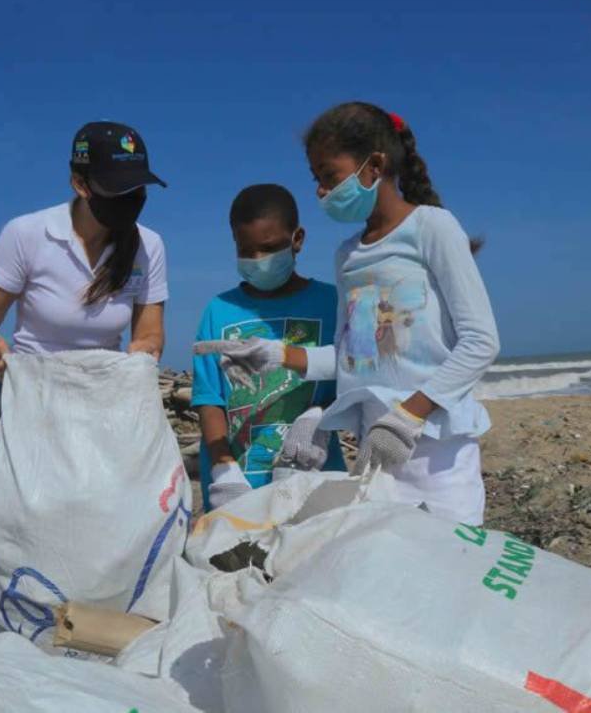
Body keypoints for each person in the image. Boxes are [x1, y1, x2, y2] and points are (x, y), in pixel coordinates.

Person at [196, 102, 499, 525]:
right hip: (375, 456)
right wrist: (278, 355)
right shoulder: (348, 256)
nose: (321, 191)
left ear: (373, 166)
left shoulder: (433, 227)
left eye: (329, 176)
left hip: (436, 453)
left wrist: (410, 414)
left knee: (450, 571)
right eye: (316, 179)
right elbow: (353, 358)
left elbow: (481, 342)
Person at [0, 121, 169, 411]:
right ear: (80, 184)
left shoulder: (150, 246)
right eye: (116, 189)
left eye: (136, 189)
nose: (128, 199)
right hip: (32, 395)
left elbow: (150, 334)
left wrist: (146, 350)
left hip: (104, 395)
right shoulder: (26, 234)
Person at [192, 184, 346, 510]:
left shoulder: (332, 304)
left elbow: (351, 379)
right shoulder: (218, 311)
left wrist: (319, 418)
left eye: (269, 248)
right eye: (246, 251)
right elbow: (209, 402)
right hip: (237, 490)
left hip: (311, 484)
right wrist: (224, 469)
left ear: (298, 239)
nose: (257, 260)